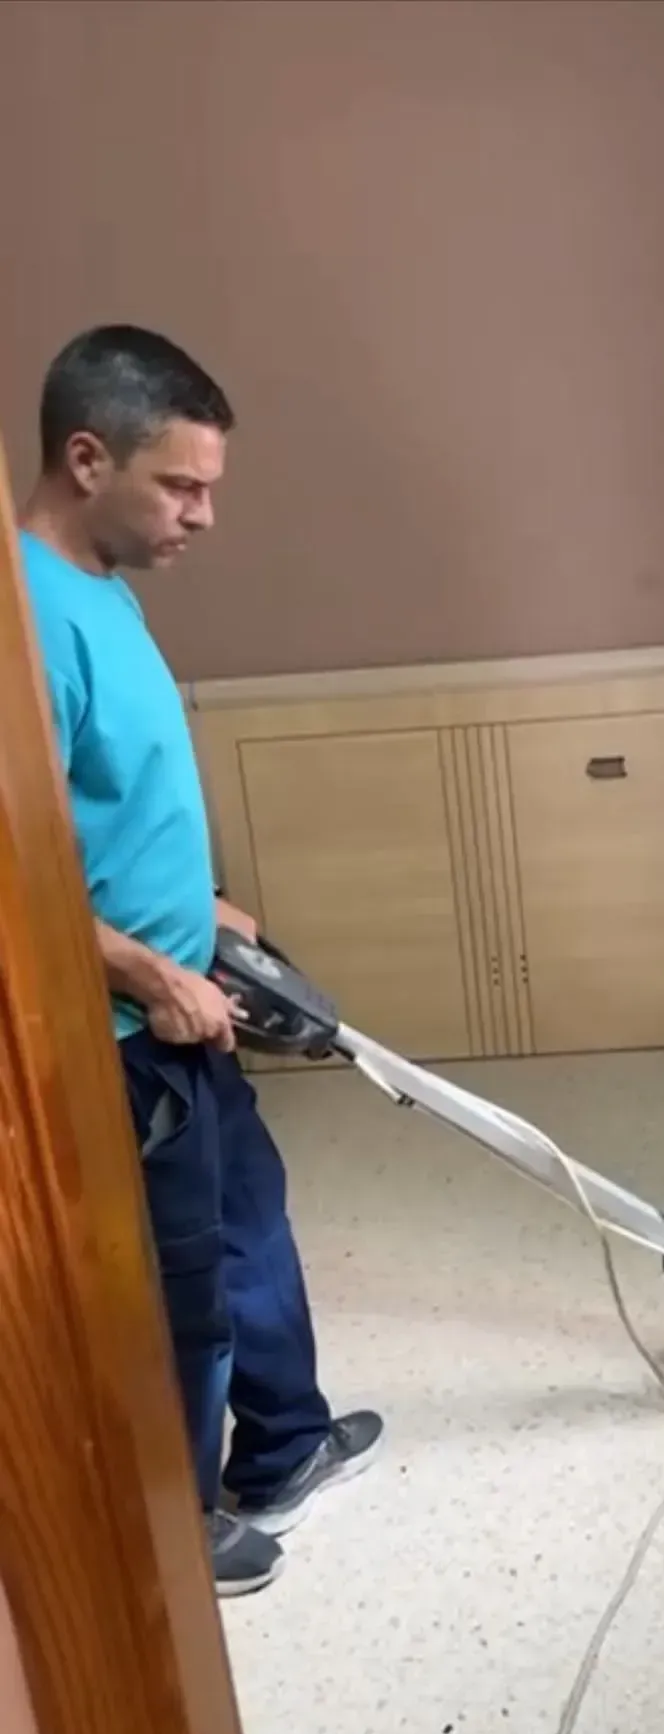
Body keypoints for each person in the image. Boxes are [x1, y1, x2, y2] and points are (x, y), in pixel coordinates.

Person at [19, 325, 383, 1598]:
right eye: (181, 484)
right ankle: (180, 1524)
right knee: (182, 1290)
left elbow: (118, 806)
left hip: (190, 1000)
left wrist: (203, 908)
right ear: (84, 458)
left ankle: (283, 1446)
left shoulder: (103, 594)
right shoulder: (23, 623)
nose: (204, 514)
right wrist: (144, 971)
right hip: (132, 1038)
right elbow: (18, 872)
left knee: (249, 1224)